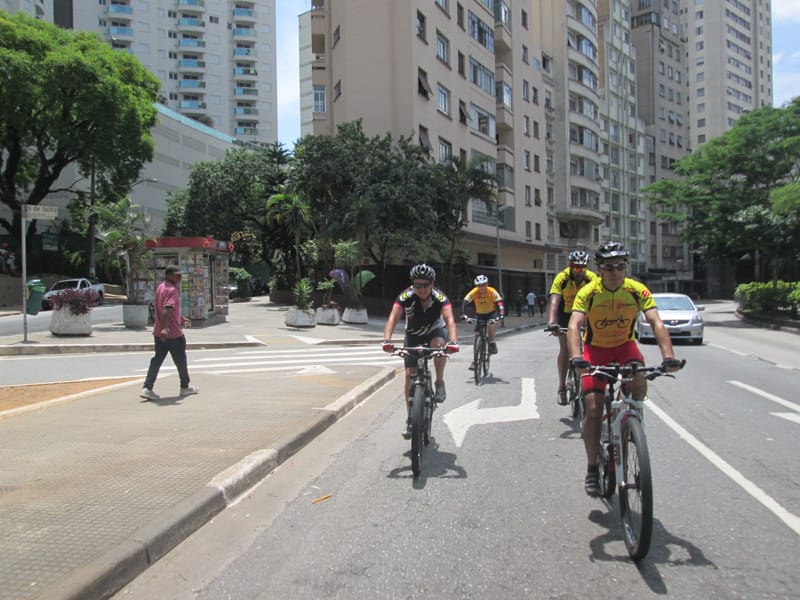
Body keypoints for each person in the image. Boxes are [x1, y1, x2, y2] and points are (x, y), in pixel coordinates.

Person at [567, 241, 682, 496]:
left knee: (639, 382)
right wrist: (576, 357)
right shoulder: (588, 292)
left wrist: (668, 357)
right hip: (596, 349)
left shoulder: (637, 290)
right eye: (609, 267)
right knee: (594, 408)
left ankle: (631, 423)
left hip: (625, 348)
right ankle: (592, 468)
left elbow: (656, 322)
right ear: (599, 270)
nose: (615, 272)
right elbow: (574, 325)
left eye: (620, 266)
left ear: (626, 268)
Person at [382, 264, 459, 438]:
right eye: (417, 285)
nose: (422, 289)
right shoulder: (406, 296)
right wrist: (387, 340)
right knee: (409, 374)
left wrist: (453, 342)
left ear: (432, 284)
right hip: (413, 335)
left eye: (426, 285)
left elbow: (450, 320)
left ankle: (439, 382)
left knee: (439, 346)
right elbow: (393, 318)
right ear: (413, 284)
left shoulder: (440, 297)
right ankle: (411, 418)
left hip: (435, 332)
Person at [545, 250, 598, 406]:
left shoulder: (592, 278)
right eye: (576, 267)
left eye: (583, 267)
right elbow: (554, 301)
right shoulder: (562, 278)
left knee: (591, 346)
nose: (580, 271)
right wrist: (552, 322)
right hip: (565, 314)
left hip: (585, 314)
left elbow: (599, 300)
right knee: (565, 349)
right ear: (570, 266)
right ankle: (562, 387)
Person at [140, 265, 199, 400]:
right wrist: (166, 328)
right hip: (173, 333)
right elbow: (166, 309)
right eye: (177, 275)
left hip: (158, 333)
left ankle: (147, 388)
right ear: (169, 275)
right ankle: (185, 387)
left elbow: (167, 309)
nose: (179, 277)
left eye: (180, 275)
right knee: (181, 361)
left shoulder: (161, 287)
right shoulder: (172, 290)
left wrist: (180, 318)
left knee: (157, 360)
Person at [461, 274, 505, 369]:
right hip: (479, 314)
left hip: (491, 313)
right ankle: (475, 360)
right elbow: (465, 301)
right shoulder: (474, 292)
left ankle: (492, 343)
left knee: (490, 325)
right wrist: (463, 314)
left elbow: (499, 303)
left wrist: (501, 314)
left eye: (483, 285)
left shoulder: (491, 291)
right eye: (479, 285)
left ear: (487, 284)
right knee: (476, 336)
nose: (481, 287)